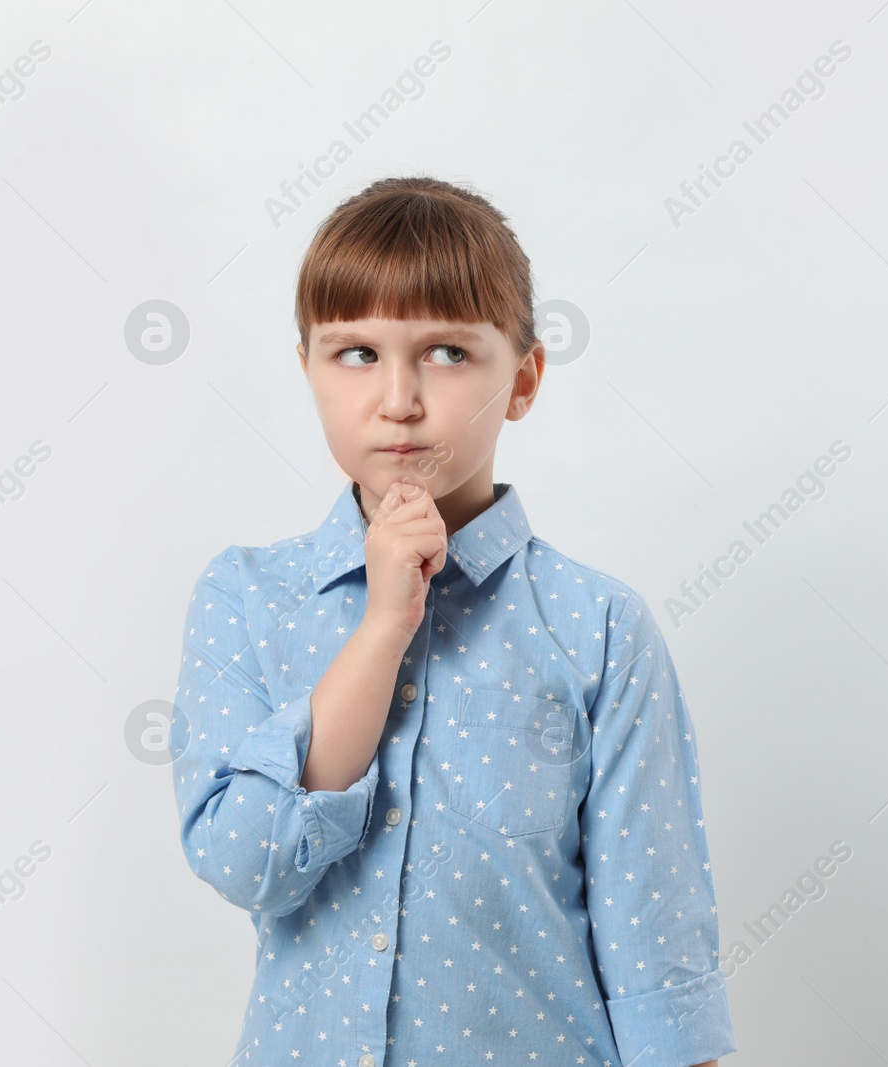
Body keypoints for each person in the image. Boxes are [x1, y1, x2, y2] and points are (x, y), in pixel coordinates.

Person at [169, 175, 734, 1067]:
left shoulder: (600, 629)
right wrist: (383, 627)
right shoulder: (247, 598)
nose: (398, 398)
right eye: (355, 352)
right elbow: (243, 857)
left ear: (524, 378)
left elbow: (658, 957)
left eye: (446, 352)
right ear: (308, 369)